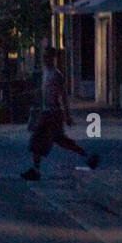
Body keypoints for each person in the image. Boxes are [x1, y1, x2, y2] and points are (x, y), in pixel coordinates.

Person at [21, 46, 99, 180]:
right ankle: (88, 157)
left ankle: (36, 170)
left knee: (38, 140)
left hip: (53, 114)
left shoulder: (56, 75)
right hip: (47, 112)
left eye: (47, 57)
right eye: (44, 57)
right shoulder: (46, 73)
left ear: (53, 58)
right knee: (60, 141)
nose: (45, 59)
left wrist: (67, 115)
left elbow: (63, 96)